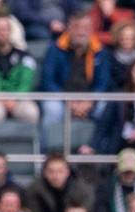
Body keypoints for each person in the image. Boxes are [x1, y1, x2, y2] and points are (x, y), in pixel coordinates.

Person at [39, 10, 110, 150]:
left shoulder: (100, 51)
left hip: (88, 100)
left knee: (104, 106)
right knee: (51, 108)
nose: (81, 32)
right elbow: (48, 81)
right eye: (77, 27)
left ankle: (97, 150)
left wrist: (89, 101)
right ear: (69, 29)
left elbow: (103, 83)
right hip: (62, 98)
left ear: (91, 30)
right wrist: (68, 101)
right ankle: (48, 153)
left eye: (85, 28)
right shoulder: (55, 49)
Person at [23, 153, 95, 212]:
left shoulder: (81, 188)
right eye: (51, 172)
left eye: (60, 171)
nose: (56, 176)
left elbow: (87, 210)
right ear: (45, 172)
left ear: (67, 172)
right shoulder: (35, 188)